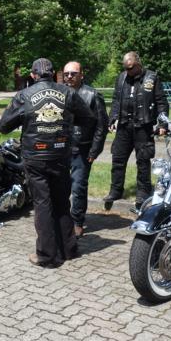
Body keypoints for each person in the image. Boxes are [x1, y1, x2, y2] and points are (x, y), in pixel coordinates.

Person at [0, 58, 94, 268]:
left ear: (33, 75)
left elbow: (3, 126)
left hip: (35, 157)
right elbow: (88, 117)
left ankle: (47, 256)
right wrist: (66, 122)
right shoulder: (68, 93)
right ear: (53, 73)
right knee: (61, 202)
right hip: (60, 154)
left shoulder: (24, 95)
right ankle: (69, 249)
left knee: (42, 204)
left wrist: (23, 118)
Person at [105, 51, 168, 212]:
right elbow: (116, 100)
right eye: (125, 68)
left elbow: (161, 102)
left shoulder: (152, 78)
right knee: (118, 159)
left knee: (143, 161)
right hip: (124, 126)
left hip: (143, 126)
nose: (128, 71)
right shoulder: (121, 78)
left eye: (131, 67)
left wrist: (163, 124)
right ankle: (115, 190)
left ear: (138, 64)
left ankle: (143, 193)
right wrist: (112, 118)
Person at [63, 61, 108, 237]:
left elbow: (101, 125)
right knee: (60, 186)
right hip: (60, 148)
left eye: (73, 73)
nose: (69, 77)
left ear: (81, 75)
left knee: (78, 187)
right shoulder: (59, 93)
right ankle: (62, 219)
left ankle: (77, 221)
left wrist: (94, 150)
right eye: (66, 74)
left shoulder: (92, 95)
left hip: (81, 148)